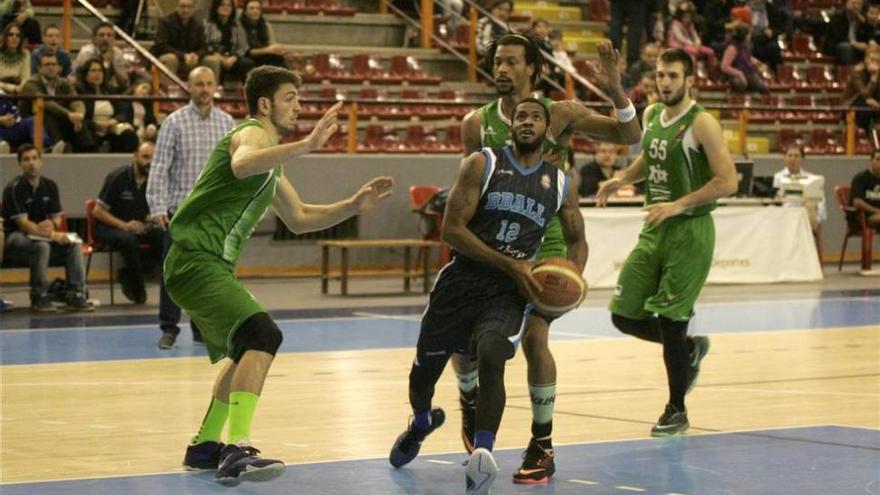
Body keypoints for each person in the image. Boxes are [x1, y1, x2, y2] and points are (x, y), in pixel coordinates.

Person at [168, 65, 393, 485]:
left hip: (204, 264)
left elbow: (301, 217)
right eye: (291, 97)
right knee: (264, 335)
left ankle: (205, 445)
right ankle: (237, 448)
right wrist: (306, 145)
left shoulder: (271, 166)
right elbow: (241, 164)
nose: (299, 106)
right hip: (194, 258)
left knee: (245, 349)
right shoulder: (251, 132)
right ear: (266, 104)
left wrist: (352, 205)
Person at [458, 35, 640, 484]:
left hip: (547, 245)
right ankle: (469, 397)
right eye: (497, 61)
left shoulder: (561, 113)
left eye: (512, 62)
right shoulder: (475, 124)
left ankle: (543, 443)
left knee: (536, 339)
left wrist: (616, 89)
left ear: (533, 70)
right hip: (496, 245)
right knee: (465, 343)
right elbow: (471, 190)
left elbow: (629, 135)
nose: (501, 69)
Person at [389, 98, 587, 495]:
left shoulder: (560, 182)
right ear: (511, 126)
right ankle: (423, 421)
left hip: (507, 292)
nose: (527, 121)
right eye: (520, 117)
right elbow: (452, 230)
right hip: (462, 280)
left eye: (535, 117)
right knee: (423, 371)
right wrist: (510, 263)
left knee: (494, 353)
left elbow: (577, 239)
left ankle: (483, 452)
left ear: (547, 130)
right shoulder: (483, 163)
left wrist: (572, 278)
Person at [596, 47, 738, 437]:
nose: (665, 82)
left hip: (690, 230)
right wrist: (623, 178)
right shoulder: (652, 115)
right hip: (655, 226)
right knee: (623, 314)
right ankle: (690, 350)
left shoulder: (702, 123)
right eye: (661, 75)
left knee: (671, 322)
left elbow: (728, 181)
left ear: (689, 79)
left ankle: (677, 409)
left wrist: (679, 205)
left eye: (673, 76)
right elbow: (652, 158)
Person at [147, 66, 235, 349]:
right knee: (173, 272)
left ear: (216, 86)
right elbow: (159, 167)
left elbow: (234, 168)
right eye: (199, 84)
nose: (205, 89)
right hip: (180, 211)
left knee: (209, 274)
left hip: (213, 214)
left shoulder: (228, 123)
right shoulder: (174, 122)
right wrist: (157, 205)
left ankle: (203, 328)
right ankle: (169, 328)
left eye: (209, 83)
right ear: (189, 87)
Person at [1, 144, 92, 311]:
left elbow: (56, 215)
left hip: (42, 234)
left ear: (41, 162)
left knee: (74, 242)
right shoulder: (14, 189)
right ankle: (39, 296)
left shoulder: (50, 185)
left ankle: (76, 294)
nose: (31, 163)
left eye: (35, 158)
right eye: (26, 159)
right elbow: (24, 224)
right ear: (20, 164)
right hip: (15, 237)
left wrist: (54, 223)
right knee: (41, 246)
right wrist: (52, 234)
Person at [93, 141, 164, 304]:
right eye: (145, 157)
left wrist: (148, 224)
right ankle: (138, 291)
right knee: (128, 240)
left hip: (137, 227)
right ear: (135, 157)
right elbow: (98, 211)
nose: (150, 162)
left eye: (154, 158)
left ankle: (130, 274)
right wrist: (124, 226)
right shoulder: (118, 177)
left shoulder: (154, 181)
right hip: (109, 227)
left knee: (163, 236)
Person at [20, 51, 92, 153]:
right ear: (39, 68)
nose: (51, 68)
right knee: (47, 112)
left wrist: (79, 114)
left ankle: (89, 150)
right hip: (34, 121)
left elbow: (75, 100)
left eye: (53, 64)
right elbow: (47, 103)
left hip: (61, 119)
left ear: (58, 67)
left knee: (82, 120)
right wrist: (69, 114)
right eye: (47, 65)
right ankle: (57, 147)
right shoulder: (31, 84)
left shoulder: (64, 83)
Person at [75, 58, 138, 153]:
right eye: (93, 71)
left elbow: (124, 110)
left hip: (111, 127)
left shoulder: (112, 90)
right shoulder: (79, 92)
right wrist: (96, 125)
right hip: (92, 128)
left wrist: (115, 120)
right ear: (85, 75)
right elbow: (79, 116)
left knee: (128, 135)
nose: (97, 74)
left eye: (100, 71)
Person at [150, 0, 221, 79]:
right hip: (172, 57)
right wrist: (183, 56)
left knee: (212, 60)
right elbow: (160, 46)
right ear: (177, 7)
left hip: (190, 59)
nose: (185, 10)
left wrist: (197, 55)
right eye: (182, 6)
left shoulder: (198, 24)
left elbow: (205, 46)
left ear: (194, 9)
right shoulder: (165, 21)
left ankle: (210, 89)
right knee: (170, 58)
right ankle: (167, 89)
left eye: (189, 7)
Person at [772, 145, 827, 232]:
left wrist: (817, 219)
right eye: (790, 155)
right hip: (783, 219)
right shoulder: (776, 178)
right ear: (785, 158)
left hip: (805, 219)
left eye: (796, 156)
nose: (793, 159)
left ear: (802, 159)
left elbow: (821, 204)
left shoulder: (811, 179)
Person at [72, 22, 131, 93]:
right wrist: (104, 62)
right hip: (86, 89)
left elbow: (124, 82)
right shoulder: (86, 52)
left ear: (114, 39)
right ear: (94, 39)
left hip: (107, 89)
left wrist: (113, 63)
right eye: (101, 35)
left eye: (109, 35)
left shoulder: (117, 53)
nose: (105, 38)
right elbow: (77, 77)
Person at [204, 0, 254, 83]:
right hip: (215, 56)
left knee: (247, 63)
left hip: (233, 57)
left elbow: (243, 46)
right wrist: (221, 58)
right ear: (216, 7)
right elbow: (205, 44)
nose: (226, 8)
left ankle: (245, 91)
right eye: (222, 5)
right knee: (215, 63)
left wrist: (233, 58)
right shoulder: (208, 24)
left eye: (229, 5)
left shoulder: (237, 25)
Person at [239, 0, 297, 71]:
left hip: (263, 55)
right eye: (252, 8)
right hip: (247, 57)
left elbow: (272, 44)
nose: (255, 11)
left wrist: (280, 49)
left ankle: (285, 79)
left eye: (258, 8)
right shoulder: (239, 26)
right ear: (245, 12)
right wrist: (267, 50)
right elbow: (246, 51)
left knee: (279, 57)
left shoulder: (266, 25)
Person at [720, 24, 770, 94]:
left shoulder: (744, 46)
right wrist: (739, 74)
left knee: (763, 88)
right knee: (740, 84)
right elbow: (724, 67)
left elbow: (747, 58)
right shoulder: (732, 48)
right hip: (734, 74)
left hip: (748, 72)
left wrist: (759, 63)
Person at [849, 148, 880, 232]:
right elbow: (857, 203)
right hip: (862, 216)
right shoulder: (860, 178)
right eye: (877, 159)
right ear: (871, 161)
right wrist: (877, 211)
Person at [0, 22, 28, 95]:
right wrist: (13, 88)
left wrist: (21, 87)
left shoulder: (25, 54)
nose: (14, 37)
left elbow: (26, 78)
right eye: (11, 34)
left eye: (18, 35)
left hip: (19, 90)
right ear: (5, 37)